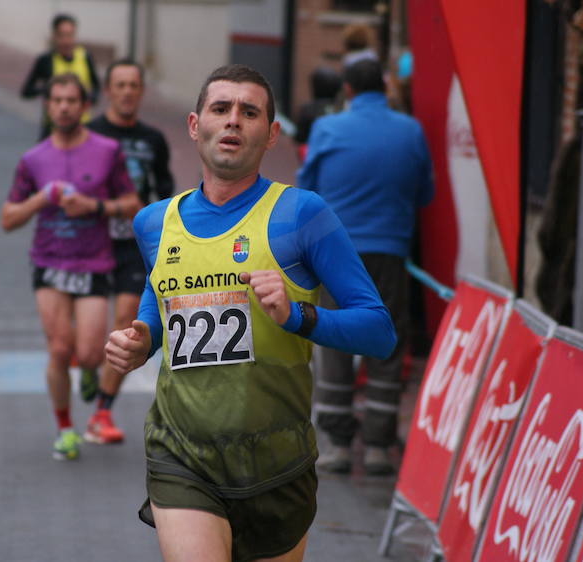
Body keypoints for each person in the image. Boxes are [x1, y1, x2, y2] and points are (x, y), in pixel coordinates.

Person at [105, 64, 396, 562]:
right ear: (196, 126)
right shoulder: (154, 223)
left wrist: (300, 317)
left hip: (276, 464)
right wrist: (140, 342)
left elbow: (380, 332)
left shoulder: (303, 215)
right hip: (183, 455)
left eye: (249, 112)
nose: (234, 121)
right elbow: (160, 307)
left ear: (271, 134)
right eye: (221, 109)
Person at [297, 59, 434, 476]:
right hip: (389, 249)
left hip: (334, 251)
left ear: (348, 90)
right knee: (386, 340)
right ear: (385, 87)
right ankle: (377, 445)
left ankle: (337, 443)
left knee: (335, 337)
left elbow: (305, 192)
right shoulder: (409, 130)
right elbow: (424, 192)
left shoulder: (327, 129)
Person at [1, 72, 140, 461]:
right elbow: (7, 219)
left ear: (84, 106)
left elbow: (131, 203)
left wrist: (93, 207)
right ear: (48, 106)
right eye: (56, 100)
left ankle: (91, 372)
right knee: (60, 349)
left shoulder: (108, 151)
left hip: (94, 262)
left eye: (70, 100)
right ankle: (64, 428)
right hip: (49, 262)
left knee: (92, 353)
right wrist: (41, 199)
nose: (63, 106)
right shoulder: (32, 159)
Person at [83, 58, 174, 444]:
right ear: (108, 91)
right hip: (89, 242)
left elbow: (164, 195)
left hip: (131, 247)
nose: (126, 92)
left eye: (133, 85)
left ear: (141, 91)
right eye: (119, 85)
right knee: (86, 348)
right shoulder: (88, 134)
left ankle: (101, 410)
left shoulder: (153, 140)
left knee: (124, 319)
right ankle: (88, 365)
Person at [20, 13, 101, 140]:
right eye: (62, 36)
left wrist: (92, 97)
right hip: (53, 128)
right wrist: (48, 90)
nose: (66, 41)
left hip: (82, 127)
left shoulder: (85, 57)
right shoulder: (46, 60)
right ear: (54, 36)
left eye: (70, 35)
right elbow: (26, 91)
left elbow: (96, 86)